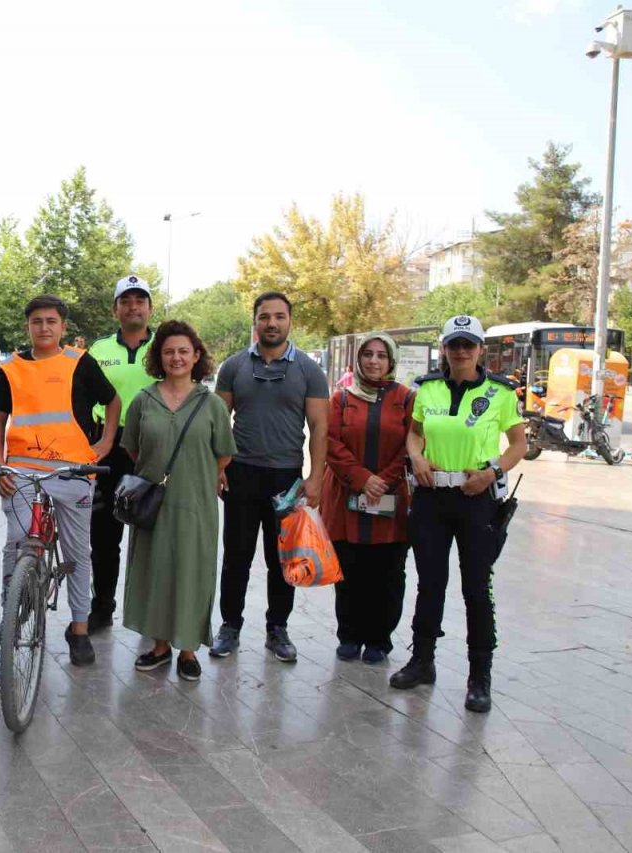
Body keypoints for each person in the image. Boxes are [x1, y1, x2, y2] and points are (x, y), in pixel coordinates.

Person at [390, 315, 527, 713]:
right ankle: (422, 660)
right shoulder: (427, 389)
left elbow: (517, 444)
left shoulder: (500, 394)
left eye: (468, 344)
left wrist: (492, 473)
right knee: (430, 583)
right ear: (444, 348)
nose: (461, 351)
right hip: (432, 497)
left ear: (481, 349)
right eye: (454, 344)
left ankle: (479, 676)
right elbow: (415, 433)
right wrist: (415, 458)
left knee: (476, 589)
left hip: (476, 498)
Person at [0, 295, 119, 665]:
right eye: (36, 322)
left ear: (62, 327)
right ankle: (12, 614)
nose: (43, 328)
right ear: (28, 326)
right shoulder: (12, 368)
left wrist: (105, 442)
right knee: (16, 543)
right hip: (23, 470)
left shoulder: (80, 362)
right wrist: (0, 465)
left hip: (73, 470)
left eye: (51, 321)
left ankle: (78, 628)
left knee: (78, 553)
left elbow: (113, 401)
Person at [209, 291, 328, 662]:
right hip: (241, 475)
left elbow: (319, 427)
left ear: (290, 322)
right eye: (264, 317)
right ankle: (230, 627)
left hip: (287, 480)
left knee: (283, 561)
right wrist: (218, 467)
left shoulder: (308, 370)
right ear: (255, 321)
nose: (272, 323)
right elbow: (217, 423)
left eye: (279, 317)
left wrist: (316, 478)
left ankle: (278, 629)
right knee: (236, 557)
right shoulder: (233, 367)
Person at [122, 320, 234, 681]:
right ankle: (158, 646)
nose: (176, 357)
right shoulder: (144, 400)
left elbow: (223, 455)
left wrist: (198, 475)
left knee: (192, 572)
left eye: (184, 350)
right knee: (154, 571)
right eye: (169, 351)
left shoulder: (212, 404)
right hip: (152, 504)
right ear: (159, 356)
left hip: (197, 504)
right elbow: (134, 448)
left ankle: (188, 649)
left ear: (196, 355)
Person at [320, 334, 413, 665]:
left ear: (391, 361)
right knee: (349, 571)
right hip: (346, 497)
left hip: (391, 500)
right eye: (368, 355)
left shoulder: (406, 399)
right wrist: (362, 478)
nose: (374, 361)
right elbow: (330, 442)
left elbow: (413, 444)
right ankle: (350, 633)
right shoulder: (341, 399)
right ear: (358, 360)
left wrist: (383, 480)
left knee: (387, 574)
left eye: (381, 355)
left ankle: (379, 637)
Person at [86, 274, 156, 632]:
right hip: (109, 448)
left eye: (139, 300)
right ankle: (103, 607)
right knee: (104, 535)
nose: (133, 307)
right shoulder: (98, 350)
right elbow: (81, 400)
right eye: (126, 301)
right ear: (115, 309)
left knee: (153, 536)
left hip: (154, 449)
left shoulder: (165, 347)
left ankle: (150, 615)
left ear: (150, 307)